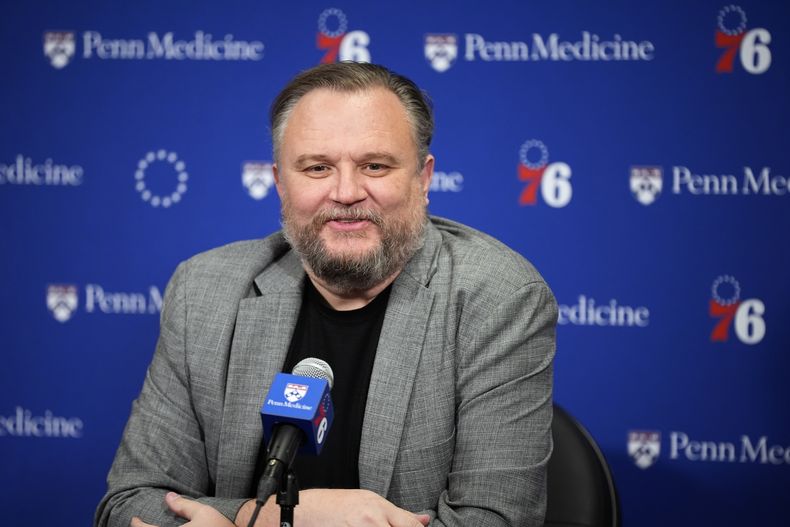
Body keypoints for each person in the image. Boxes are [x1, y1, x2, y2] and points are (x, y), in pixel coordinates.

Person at [95, 62, 557, 527]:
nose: (346, 192)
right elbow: (129, 504)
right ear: (280, 182)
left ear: (423, 179)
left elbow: (495, 521)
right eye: (317, 168)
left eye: (374, 165)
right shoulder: (205, 291)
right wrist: (281, 517)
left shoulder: (499, 299)